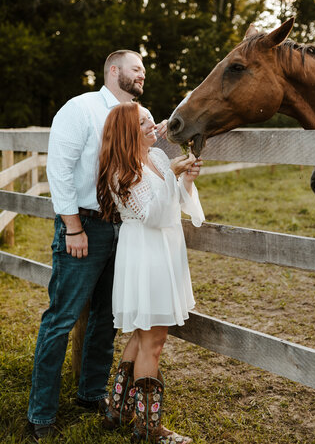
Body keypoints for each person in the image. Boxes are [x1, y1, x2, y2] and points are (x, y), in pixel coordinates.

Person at [28, 50, 167, 442]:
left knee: (105, 318)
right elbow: (59, 170)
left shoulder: (137, 119)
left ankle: (91, 394)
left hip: (123, 228)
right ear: (113, 70)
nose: (142, 75)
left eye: (143, 71)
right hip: (84, 225)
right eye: (136, 68)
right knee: (62, 318)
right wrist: (73, 228)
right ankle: (40, 414)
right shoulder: (82, 108)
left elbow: (144, 163)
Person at [96, 102, 204, 444]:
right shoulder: (121, 172)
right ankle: (148, 430)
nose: (153, 125)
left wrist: (185, 178)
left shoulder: (157, 158)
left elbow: (175, 204)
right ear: (129, 130)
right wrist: (172, 175)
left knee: (143, 335)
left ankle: (117, 409)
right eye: (144, 122)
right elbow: (154, 217)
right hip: (146, 253)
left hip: (165, 249)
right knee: (153, 342)